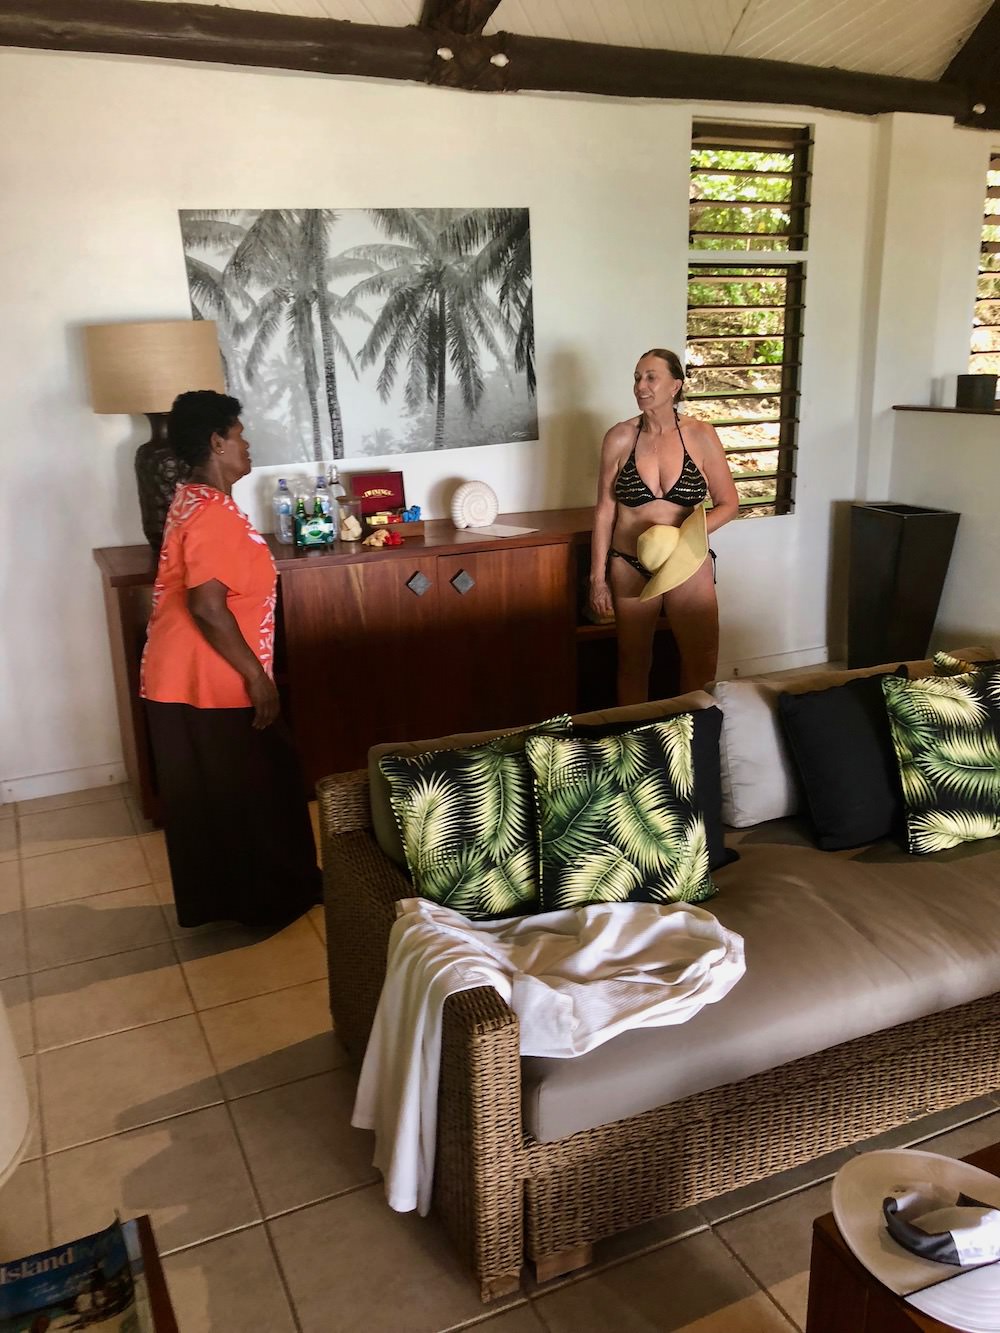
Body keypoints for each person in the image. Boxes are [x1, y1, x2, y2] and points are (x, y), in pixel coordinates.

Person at [140, 390, 321, 928]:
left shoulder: (194, 498)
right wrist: (257, 679)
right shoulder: (213, 512)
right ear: (217, 442)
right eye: (240, 436)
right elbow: (206, 605)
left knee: (236, 791)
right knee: (257, 788)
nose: (247, 445)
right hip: (208, 676)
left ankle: (264, 897)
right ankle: (271, 902)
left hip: (188, 674)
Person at [590, 349, 739, 703]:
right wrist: (597, 579)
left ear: (675, 385)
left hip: (686, 560)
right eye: (637, 377)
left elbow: (729, 504)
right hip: (629, 563)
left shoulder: (701, 435)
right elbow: (605, 512)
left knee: (701, 660)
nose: (640, 386)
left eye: (650, 377)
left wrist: (684, 536)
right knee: (632, 662)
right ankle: (636, 734)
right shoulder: (619, 438)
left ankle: (693, 731)